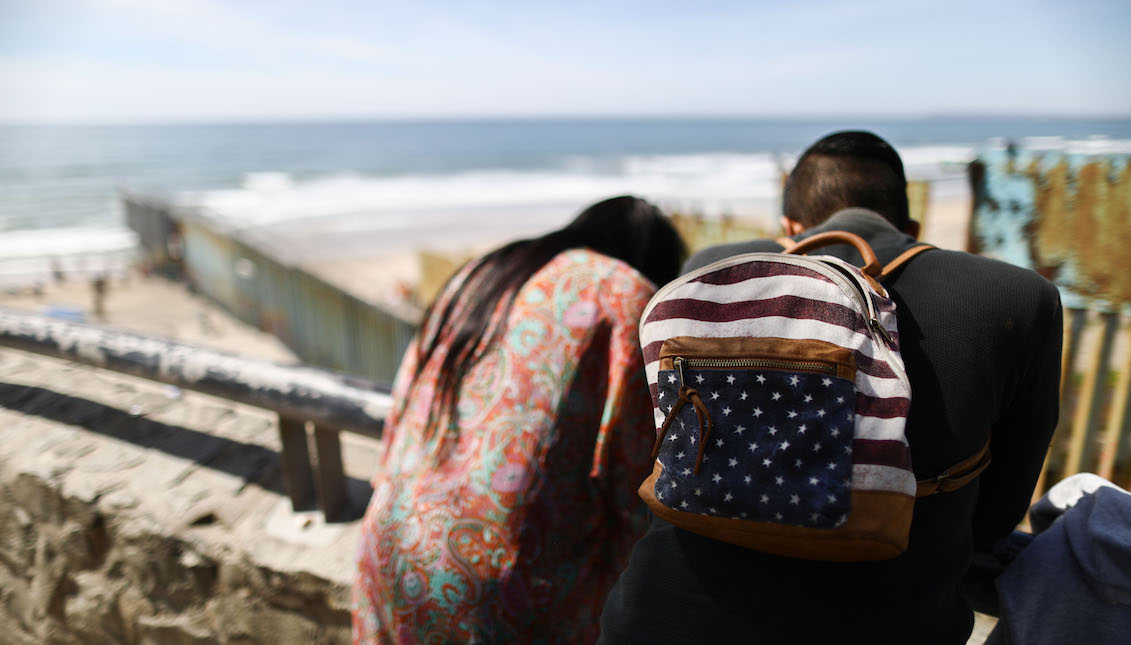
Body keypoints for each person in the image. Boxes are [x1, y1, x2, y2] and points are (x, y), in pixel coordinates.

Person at [599, 132, 1063, 644]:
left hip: (658, 616)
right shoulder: (1021, 298)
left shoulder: (709, 273)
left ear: (790, 229)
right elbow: (996, 516)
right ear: (912, 229)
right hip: (891, 624)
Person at [352, 196, 686, 643]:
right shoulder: (625, 294)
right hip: (495, 591)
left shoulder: (490, 270)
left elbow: (406, 404)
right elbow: (636, 484)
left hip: (389, 549)